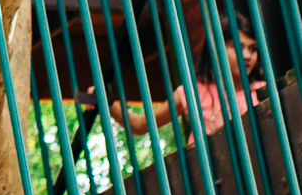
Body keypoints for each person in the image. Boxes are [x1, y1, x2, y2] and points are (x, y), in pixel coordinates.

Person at [83, 20, 266, 139]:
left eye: (253, 49)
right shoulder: (195, 93)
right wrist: (107, 103)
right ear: (217, 50)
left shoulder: (263, 91)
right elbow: (140, 125)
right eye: (237, 47)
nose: (247, 56)